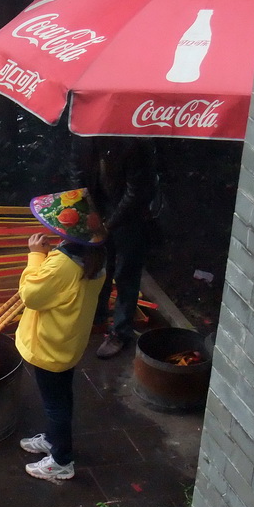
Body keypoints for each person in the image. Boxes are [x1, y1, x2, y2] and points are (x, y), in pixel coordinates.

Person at [16, 189, 107, 481]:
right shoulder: (95, 257)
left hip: (50, 344)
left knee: (55, 403)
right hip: (68, 341)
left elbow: (31, 295)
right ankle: (54, 440)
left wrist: (35, 256)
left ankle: (61, 460)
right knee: (60, 397)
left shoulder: (63, 264)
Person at [80, 137, 158, 359]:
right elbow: (78, 173)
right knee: (101, 266)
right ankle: (96, 316)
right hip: (102, 207)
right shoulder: (83, 135)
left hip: (131, 217)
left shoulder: (136, 144)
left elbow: (137, 193)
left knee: (126, 273)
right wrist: (87, 210)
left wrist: (109, 224)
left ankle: (121, 332)